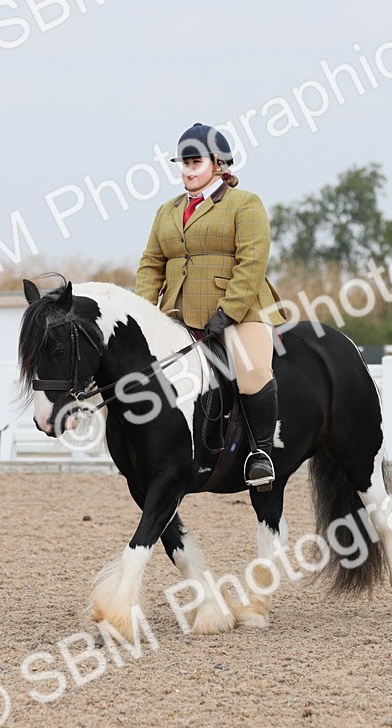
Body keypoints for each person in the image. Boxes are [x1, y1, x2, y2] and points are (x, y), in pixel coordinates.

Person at [135, 122, 286, 489]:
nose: (187, 169)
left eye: (195, 161)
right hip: (177, 314)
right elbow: (151, 264)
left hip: (240, 312)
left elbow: (252, 262)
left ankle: (260, 455)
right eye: (183, 163)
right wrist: (141, 315)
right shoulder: (166, 211)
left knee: (250, 373)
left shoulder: (244, 204)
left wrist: (229, 312)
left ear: (219, 164)